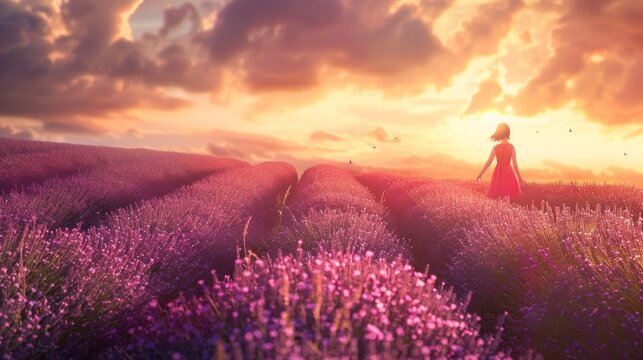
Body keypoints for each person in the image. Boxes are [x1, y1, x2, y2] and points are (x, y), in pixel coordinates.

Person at [476, 123, 524, 201]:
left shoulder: (496, 148)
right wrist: (520, 178)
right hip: (508, 173)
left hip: (498, 173)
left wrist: (481, 173)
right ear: (508, 133)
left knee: (498, 198)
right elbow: (515, 165)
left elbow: (488, 162)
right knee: (506, 197)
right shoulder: (512, 147)